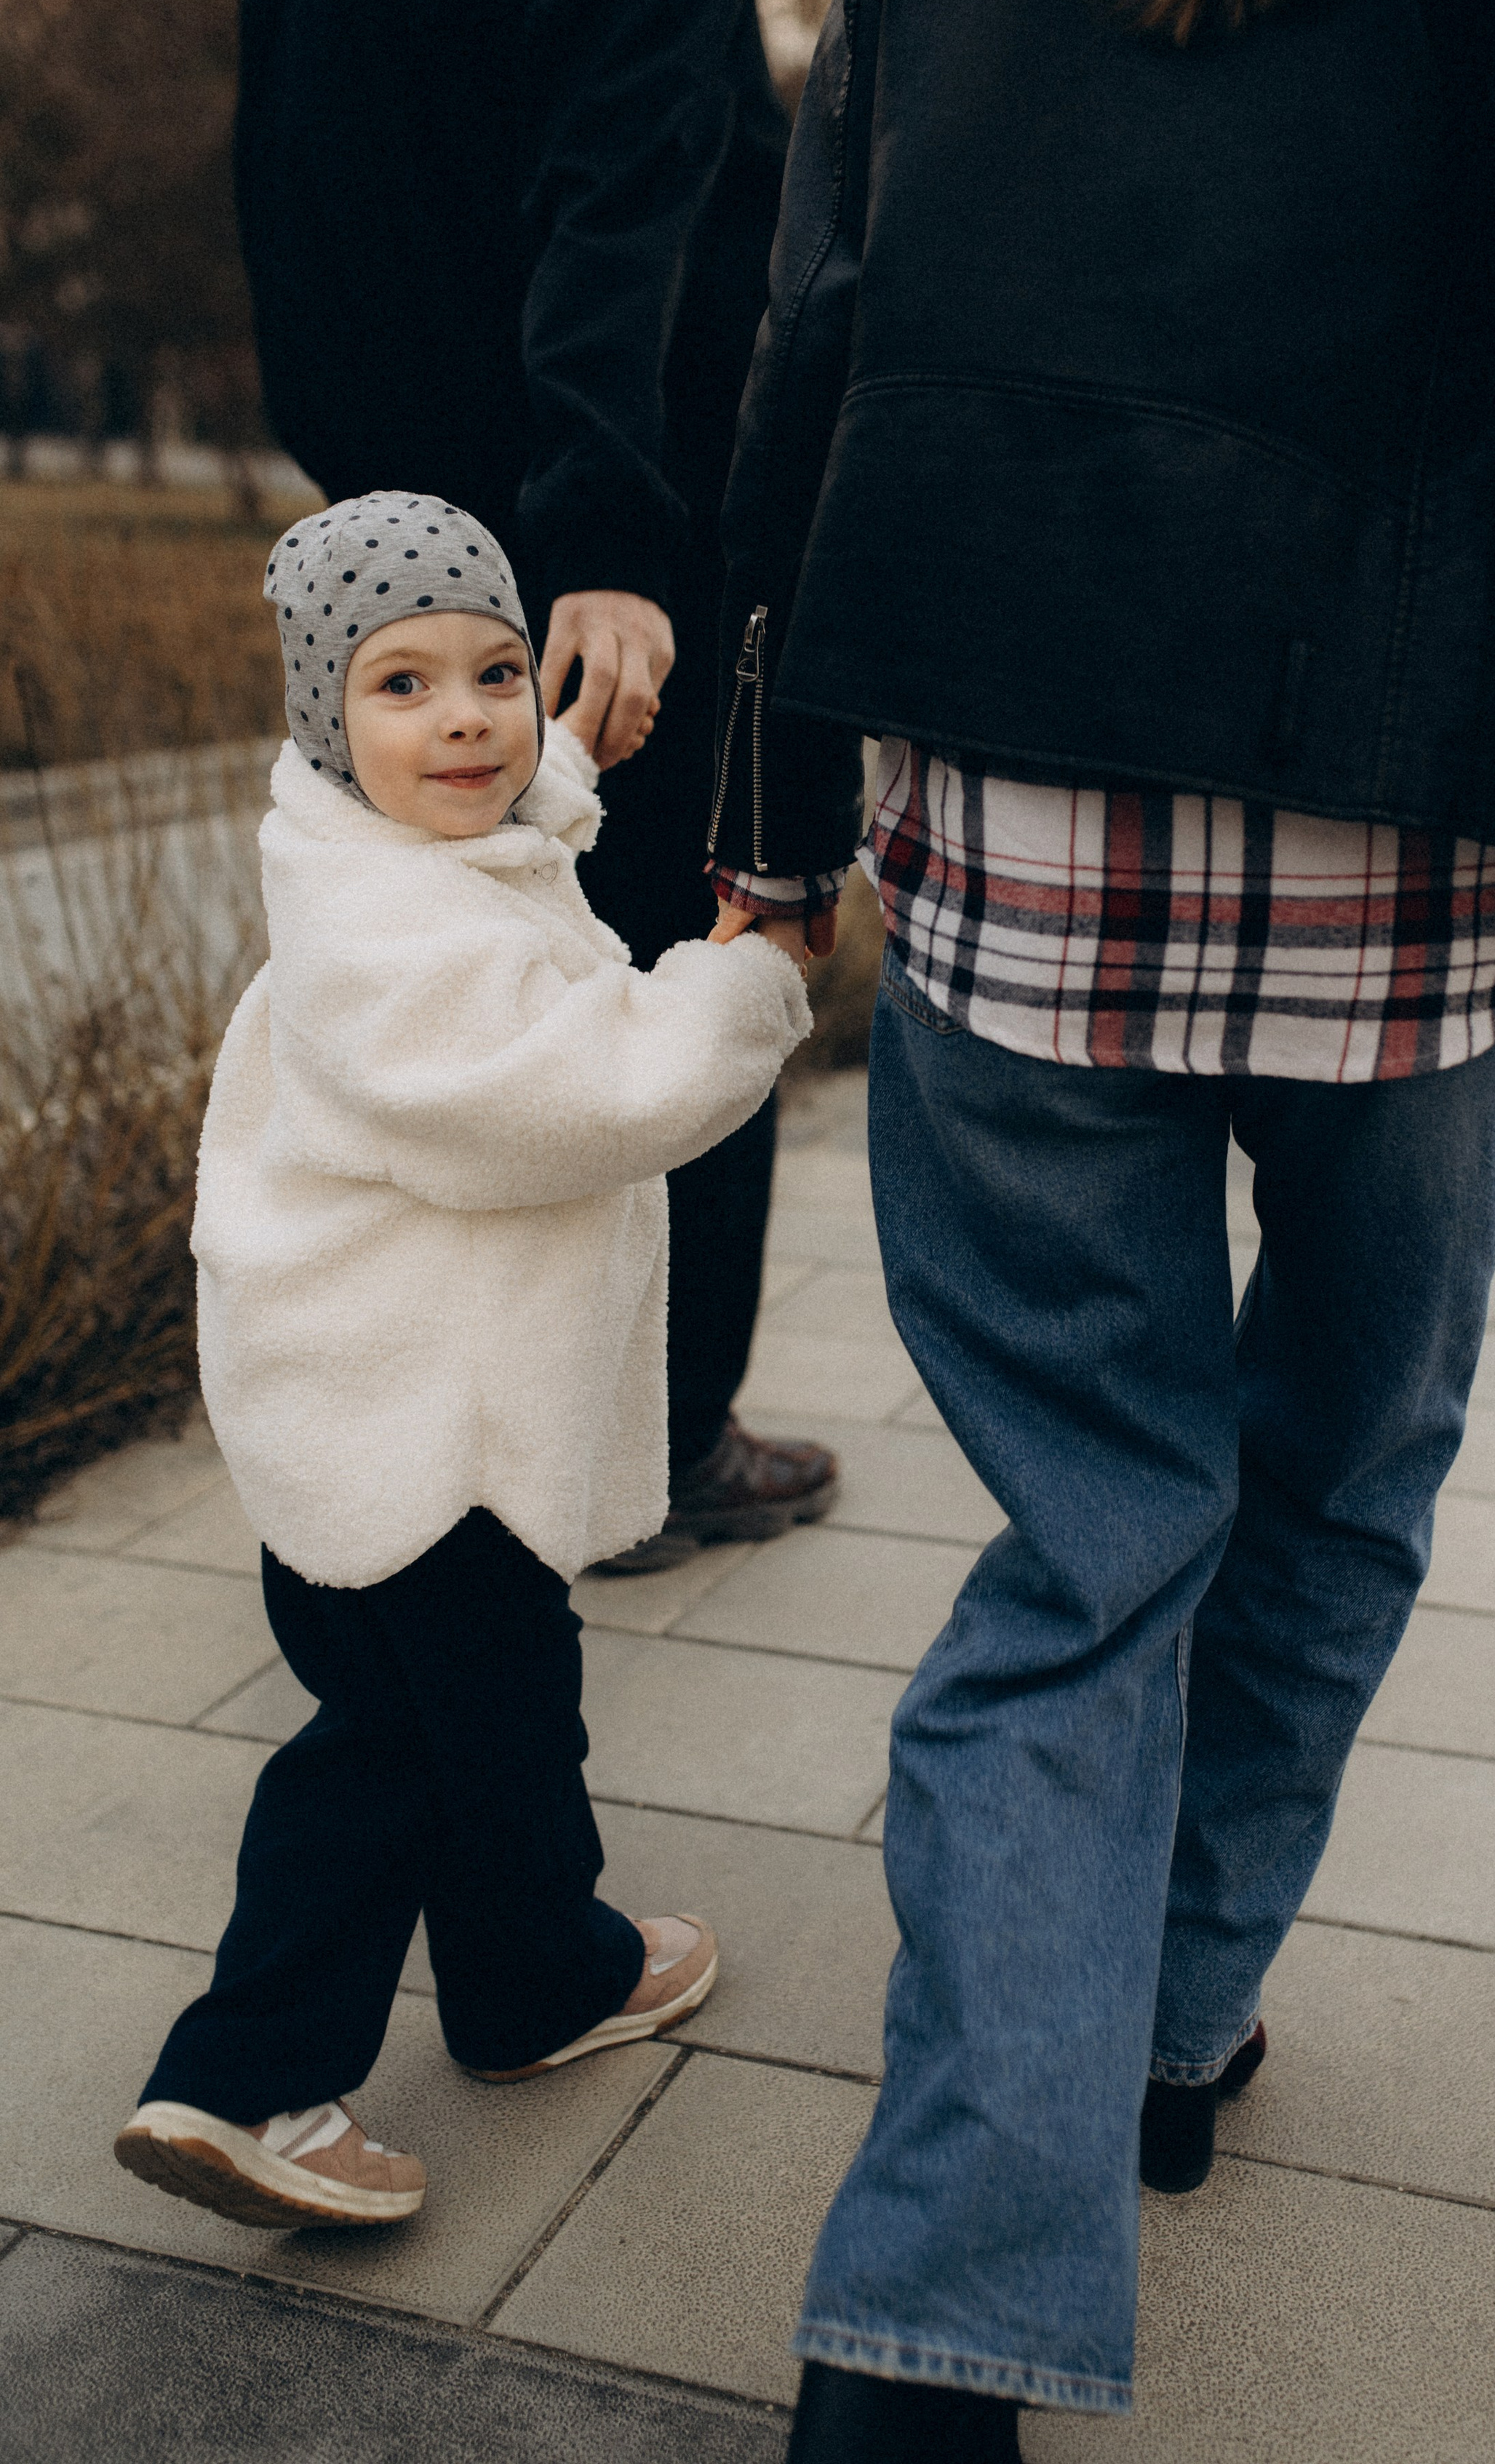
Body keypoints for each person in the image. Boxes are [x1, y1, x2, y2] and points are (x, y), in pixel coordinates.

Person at [706, 0, 1495, 2452]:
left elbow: (820, 325)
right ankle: (1173, 2011)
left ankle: (931, 2332)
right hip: (1410, 820)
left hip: (1015, 815)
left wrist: (765, 802)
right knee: (1342, 1463)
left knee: (1081, 1546)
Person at [113, 495, 812, 2229]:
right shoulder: (379, 943)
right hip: (416, 1442)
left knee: (500, 1721)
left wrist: (573, 749)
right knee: (403, 1752)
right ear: (320, 726)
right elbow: (573, 1090)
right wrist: (741, 986)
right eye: (404, 686)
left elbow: (499, 841)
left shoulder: (388, 856)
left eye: (496, 673)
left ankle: (533, 1976)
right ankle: (245, 2071)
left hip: (397, 1415)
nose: (470, 721)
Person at [234, 0, 851, 1576]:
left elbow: (289, 197)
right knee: (666, 978)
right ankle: (655, 1449)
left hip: (403, 577)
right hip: (604, 574)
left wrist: (393, 525)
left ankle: (453, 1449)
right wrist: (605, 530)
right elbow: (628, 192)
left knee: (445, 1004)